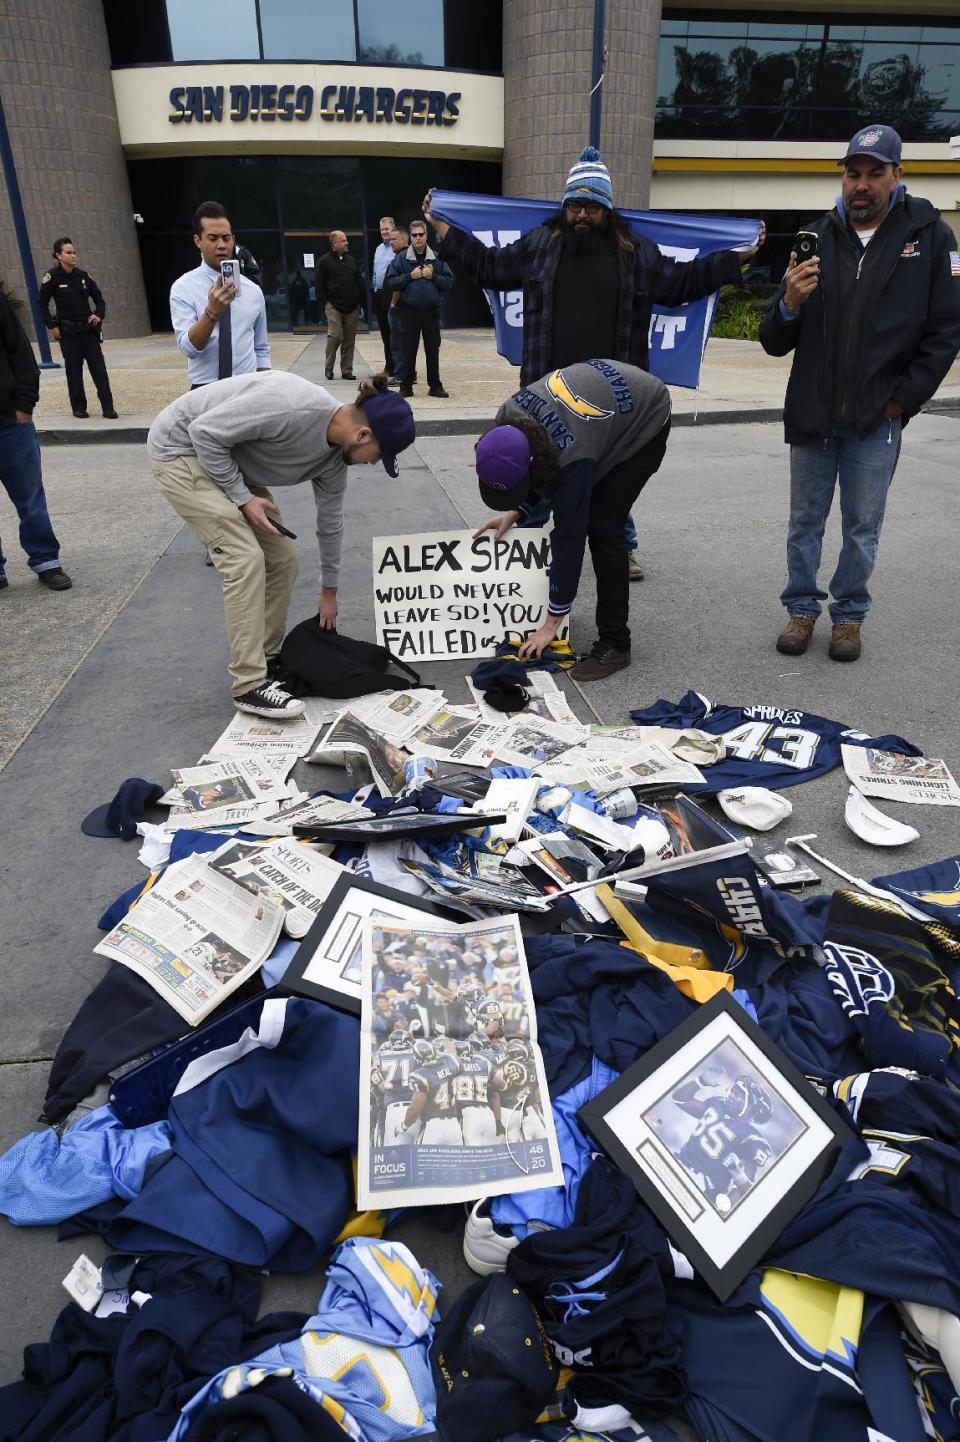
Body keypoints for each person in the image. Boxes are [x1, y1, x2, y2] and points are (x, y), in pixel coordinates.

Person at [425, 146, 761, 579]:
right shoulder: (541, 244)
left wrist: (734, 260)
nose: (582, 215)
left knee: (609, 473)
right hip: (547, 392)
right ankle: (525, 547)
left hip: (610, 396)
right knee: (540, 466)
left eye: (592, 207)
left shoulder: (634, 250)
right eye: (575, 206)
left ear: (607, 208)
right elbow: (490, 267)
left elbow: (680, 284)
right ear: (565, 207)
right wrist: (446, 233)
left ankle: (619, 546)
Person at [760, 124, 960, 664]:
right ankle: (802, 610)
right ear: (842, 177)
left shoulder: (933, 236)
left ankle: (848, 618)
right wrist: (790, 304)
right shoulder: (815, 237)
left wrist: (902, 400)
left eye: (875, 173)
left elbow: (946, 330)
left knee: (861, 528)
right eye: (854, 174)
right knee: (804, 523)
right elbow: (773, 340)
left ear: (898, 175)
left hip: (877, 418)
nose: (863, 185)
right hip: (814, 414)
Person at [146, 371, 415, 717]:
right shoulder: (291, 407)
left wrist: (329, 592)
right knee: (244, 559)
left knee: (282, 557)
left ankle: (267, 659)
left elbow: (330, 524)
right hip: (181, 450)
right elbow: (203, 433)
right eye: (378, 455)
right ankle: (248, 685)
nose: (373, 463)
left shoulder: (335, 460)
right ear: (363, 435)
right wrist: (244, 499)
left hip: (228, 461)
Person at [472, 359, 671, 681]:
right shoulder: (506, 420)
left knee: (603, 528)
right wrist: (515, 510)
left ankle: (616, 644)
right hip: (593, 415)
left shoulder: (571, 456)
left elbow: (569, 538)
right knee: (582, 501)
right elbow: (539, 472)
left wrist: (552, 622)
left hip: (645, 413)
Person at [0, 290, 72, 592]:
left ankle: (46, 561)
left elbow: (19, 351)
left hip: (9, 422)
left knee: (30, 499)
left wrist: (24, 405)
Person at [170, 201, 270, 388]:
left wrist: (264, 389)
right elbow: (189, 349)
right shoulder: (183, 288)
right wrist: (212, 313)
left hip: (247, 387)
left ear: (233, 239)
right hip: (205, 388)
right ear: (198, 241)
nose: (221, 245)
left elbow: (261, 349)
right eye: (213, 238)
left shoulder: (253, 291)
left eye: (226, 238)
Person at [38, 238, 117, 420]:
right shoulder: (51, 277)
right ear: (58, 256)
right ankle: (79, 408)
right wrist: (52, 326)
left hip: (88, 332)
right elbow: (42, 303)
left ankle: (108, 407)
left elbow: (99, 299)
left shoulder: (83, 276)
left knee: (99, 371)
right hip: (68, 333)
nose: (73, 256)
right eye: (68, 252)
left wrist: (99, 315)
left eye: (74, 252)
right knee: (73, 372)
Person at [386, 218, 453, 398]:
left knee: (432, 349)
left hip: (431, 311)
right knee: (409, 349)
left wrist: (434, 277)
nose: (418, 238)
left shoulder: (437, 258)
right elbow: (390, 282)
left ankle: (435, 386)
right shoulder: (401, 259)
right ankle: (406, 387)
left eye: (421, 234)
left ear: (426, 235)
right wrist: (409, 276)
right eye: (414, 235)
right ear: (411, 237)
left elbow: (449, 283)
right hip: (409, 311)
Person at [316, 230, 363, 381]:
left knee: (349, 340)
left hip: (352, 307)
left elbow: (358, 281)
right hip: (334, 306)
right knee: (335, 336)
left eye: (346, 240)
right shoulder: (324, 261)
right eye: (343, 240)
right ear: (334, 244)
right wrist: (326, 303)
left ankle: (347, 371)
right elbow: (319, 284)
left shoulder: (352, 260)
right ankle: (328, 368)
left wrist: (358, 300)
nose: (346, 242)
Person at [386, 225, 412, 387]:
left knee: (397, 343)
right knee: (406, 343)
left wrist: (392, 304)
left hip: (400, 308)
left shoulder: (401, 258)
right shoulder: (409, 256)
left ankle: (401, 375)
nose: (391, 243)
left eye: (394, 239)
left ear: (404, 239)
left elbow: (397, 285)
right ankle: (410, 374)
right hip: (406, 308)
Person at [371, 215, 396, 375]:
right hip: (379, 295)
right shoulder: (378, 249)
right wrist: (374, 287)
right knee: (385, 334)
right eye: (381, 229)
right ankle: (389, 366)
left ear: (393, 228)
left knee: (396, 333)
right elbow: (375, 271)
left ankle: (400, 367)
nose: (384, 232)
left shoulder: (397, 248)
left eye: (386, 229)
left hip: (393, 294)